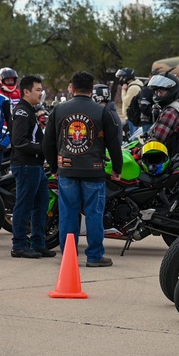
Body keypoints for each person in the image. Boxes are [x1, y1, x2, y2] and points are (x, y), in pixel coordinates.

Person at [43, 71, 124, 267]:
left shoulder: (58, 110)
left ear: (71, 87)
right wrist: (117, 168)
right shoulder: (102, 111)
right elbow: (114, 143)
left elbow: (47, 143)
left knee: (68, 214)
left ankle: (68, 255)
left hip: (67, 170)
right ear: (92, 88)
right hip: (94, 171)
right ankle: (94, 256)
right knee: (94, 214)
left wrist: (54, 166)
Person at [10, 75, 52, 259]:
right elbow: (19, 142)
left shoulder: (30, 111)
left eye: (41, 89)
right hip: (26, 166)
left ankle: (38, 243)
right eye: (37, 90)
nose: (41, 93)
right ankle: (18, 245)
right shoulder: (22, 112)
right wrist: (42, 149)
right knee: (24, 205)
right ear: (26, 91)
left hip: (36, 166)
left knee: (41, 204)